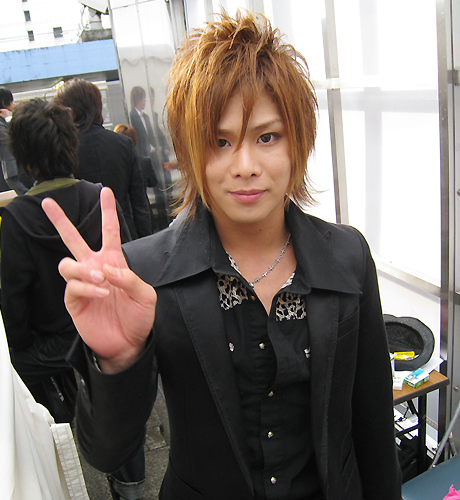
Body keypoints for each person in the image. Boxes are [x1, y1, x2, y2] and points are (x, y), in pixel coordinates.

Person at [42, 11, 402, 500]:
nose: (245, 166)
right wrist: (117, 360)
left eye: (267, 137)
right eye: (219, 141)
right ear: (190, 150)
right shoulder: (142, 275)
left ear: (298, 141)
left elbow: (374, 424)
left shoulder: (347, 255)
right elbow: (108, 452)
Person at [0, 98, 131, 422]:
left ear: (24, 158)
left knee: (15, 367)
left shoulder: (15, 217)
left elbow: (14, 297)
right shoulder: (99, 196)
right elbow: (129, 261)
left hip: (54, 345)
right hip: (109, 330)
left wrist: (21, 343)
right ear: (71, 145)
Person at [54, 78, 152, 240]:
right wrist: (145, 241)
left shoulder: (63, 149)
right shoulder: (123, 143)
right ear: (97, 105)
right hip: (125, 234)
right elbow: (139, 202)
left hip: (84, 240)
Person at [130, 85, 172, 231]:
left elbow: (153, 136)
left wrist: (160, 148)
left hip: (154, 157)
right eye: (143, 99)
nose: (145, 102)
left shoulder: (147, 117)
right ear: (137, 99)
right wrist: (148, 149)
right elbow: (138, 140)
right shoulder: (132, 117)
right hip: (145, 158)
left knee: (161, 186)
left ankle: (165, 218)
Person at [0, 87, 32, 194]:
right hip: (11, 186)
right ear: (4, 103)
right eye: (11, 101)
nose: (14, 104)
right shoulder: (3, 127)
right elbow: (12, 140)